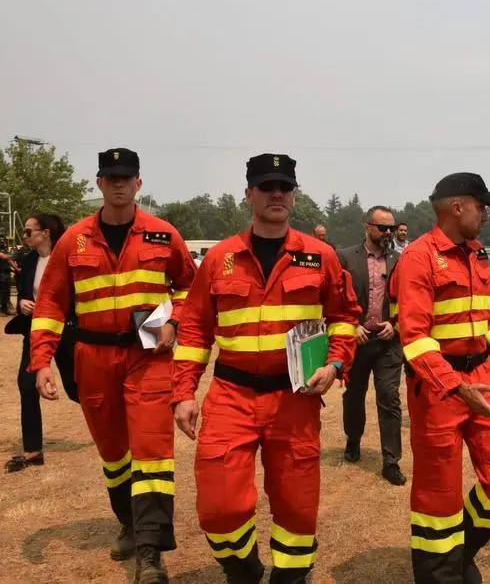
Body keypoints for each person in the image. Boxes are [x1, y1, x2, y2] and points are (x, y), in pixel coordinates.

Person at [171, 153, 360, 583]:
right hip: (231, 396)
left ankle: (290, 577)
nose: (277, 194)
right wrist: (183, 392)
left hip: (295, 399)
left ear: (294, 195)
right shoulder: (219, 259)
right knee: (219, 508)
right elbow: (196, 330)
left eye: (285, 187)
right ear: (249, 195)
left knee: (296, 506)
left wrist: (334, 364)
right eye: (266, 186)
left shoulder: (320, 256)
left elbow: (345, 316)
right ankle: (243, 568)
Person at [29, 148, 195, 583]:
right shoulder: (74, 240)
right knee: (114, 454)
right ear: (99, 183)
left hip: (149, 358)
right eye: (110, 177)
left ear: (139, 184)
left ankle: (150, 550)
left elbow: (191, 290)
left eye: (127, 177)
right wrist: (41, 360)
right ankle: (128, 521)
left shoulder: (163, 235)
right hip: (93, 357)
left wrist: (174, 320)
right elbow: (49, 304)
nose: (119, 183)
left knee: (153, 451)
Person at [389, 172, 490, 583]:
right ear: (456, 207)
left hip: (483, 378)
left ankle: (460, 552)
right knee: (437, 495)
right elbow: (414, 337)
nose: (486, 213)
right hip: (439, 388)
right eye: (481, 206)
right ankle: (440, 573)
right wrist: (457, 387)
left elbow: (486, 324)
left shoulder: (477, 255)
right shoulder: (418, 258)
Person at [5, 214, 78, 474]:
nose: (25, 236)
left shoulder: (67, 258)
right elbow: (25, 292)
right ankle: (33, 450)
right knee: (26, 385)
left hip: (66, 332)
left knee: (74, 388)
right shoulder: (28, 259)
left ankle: (117, 423)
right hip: (37, 333)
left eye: (28, 231)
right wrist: (23, 303)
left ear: (45, 233)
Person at [339, 206, 406, 486]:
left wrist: (397, 323)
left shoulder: (401, 260)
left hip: (388, 342)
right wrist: (351, 326)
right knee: (354, 395)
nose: (388, 233)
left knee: (389, 398)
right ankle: (353, 439)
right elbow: (336, 297)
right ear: (367, 227)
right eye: (382, 228)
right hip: (357, 340)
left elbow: (411, 296)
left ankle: (391, 461)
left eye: (391, 228)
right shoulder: (345, 257)